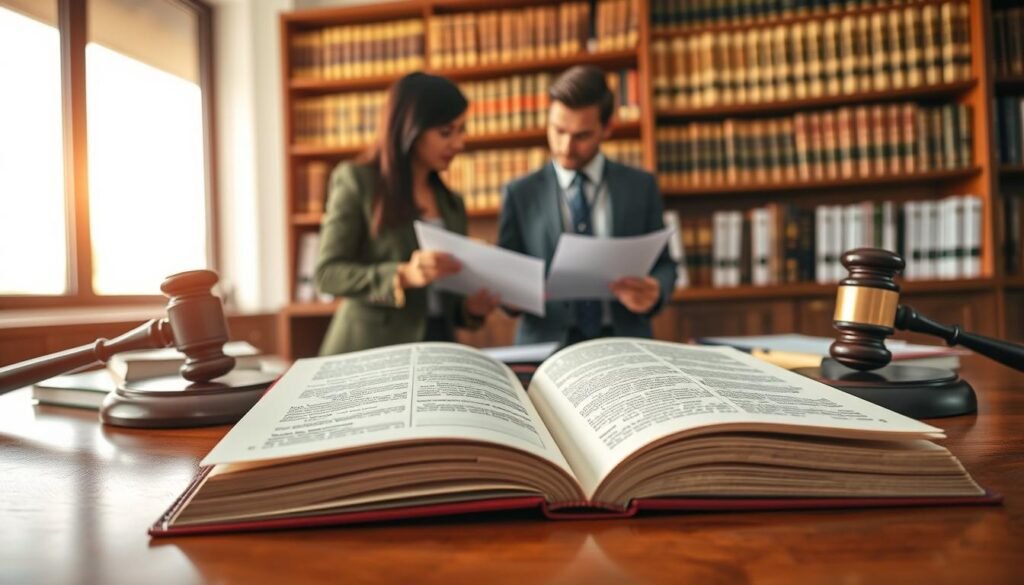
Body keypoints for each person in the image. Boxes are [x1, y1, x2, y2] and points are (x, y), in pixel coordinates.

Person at [315, 72, 499, 355]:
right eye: (446, 133)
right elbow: (328, 274)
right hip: (370, 351)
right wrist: (402, 275)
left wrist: (470, 309)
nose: (459, 144)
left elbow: (444, 299)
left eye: (462, 130)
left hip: (439, 346)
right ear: (410, 129)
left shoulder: (452, 203)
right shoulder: (357, 181)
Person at [497, 65, 676, 346]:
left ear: (607, 128)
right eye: (558, 131)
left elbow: (665, 265)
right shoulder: (520, 193)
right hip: (544, 346)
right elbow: (506, 274)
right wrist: (510, 295)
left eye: (582, 136)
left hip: (625, 340)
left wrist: (656, 291)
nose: (566, 146)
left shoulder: (641, 186)